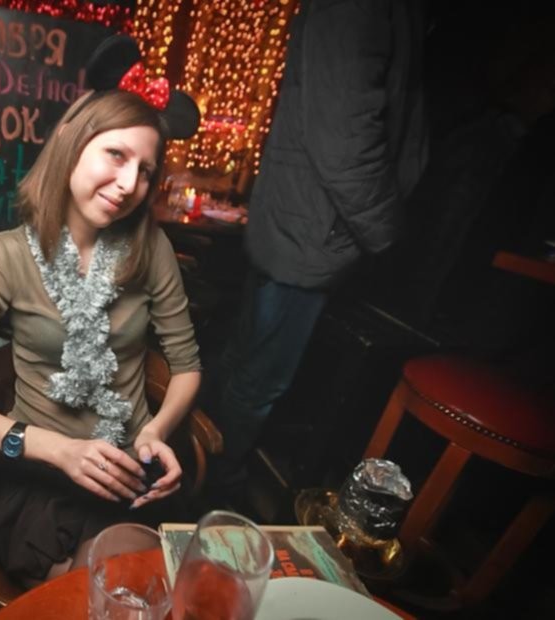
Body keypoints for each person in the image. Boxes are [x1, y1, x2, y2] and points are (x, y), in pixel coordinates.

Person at [0, 35, 202, 586]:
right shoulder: (6, 255)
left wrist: (157, 431)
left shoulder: (153, 248)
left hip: (128, 470)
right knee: (92, 588)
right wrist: (54, 448)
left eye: (146, 170)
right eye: (116, 155)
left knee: (125, 583)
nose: (130, 185)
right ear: (74, 142)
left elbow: (188, 367)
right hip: (39, 471)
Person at [207, 0, 429, 505]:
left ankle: (208, 470)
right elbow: (345, 140)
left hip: (307, 225)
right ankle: (217, 488)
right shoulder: (356, 9)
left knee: (246, 366)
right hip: (313, 231)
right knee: (257, 381)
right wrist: (388, 236)